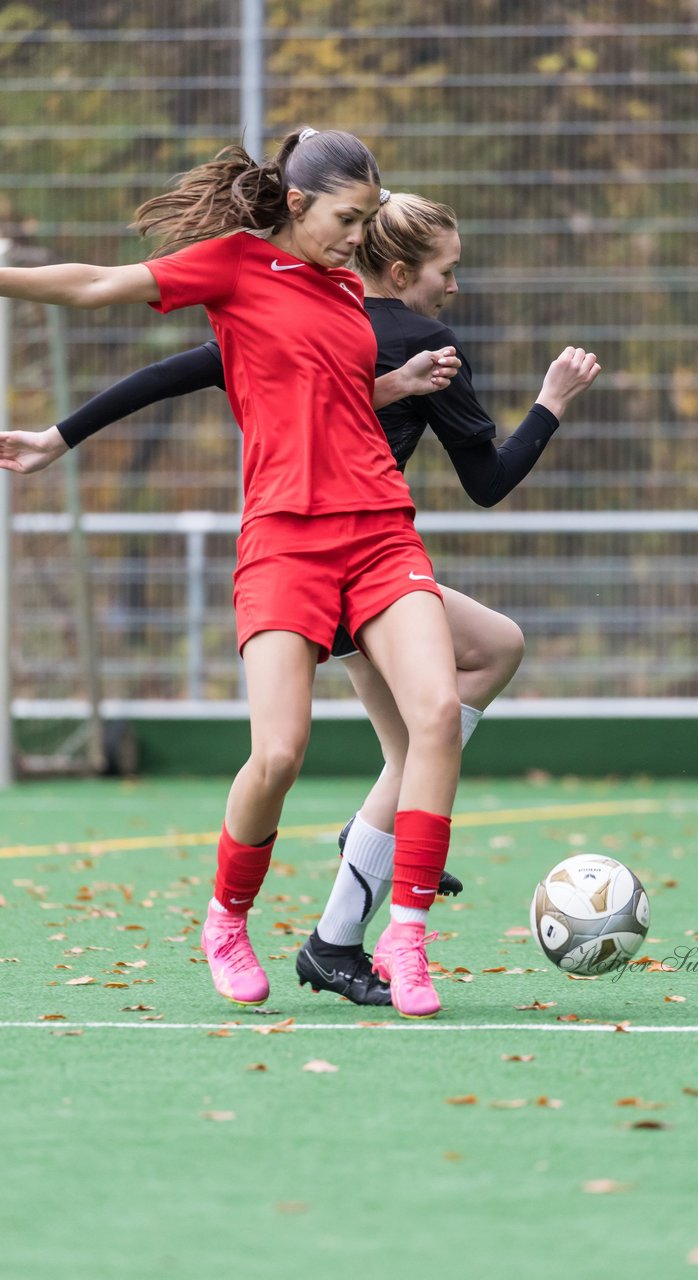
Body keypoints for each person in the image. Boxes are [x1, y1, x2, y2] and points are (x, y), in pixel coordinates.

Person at [0, 190, 601, 1009]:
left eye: (362, 223)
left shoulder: (346, 300)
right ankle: (283, 910)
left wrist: (63, 436)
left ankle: (392, 929)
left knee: (443, 713)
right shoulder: (273, 285)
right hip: (292, 545)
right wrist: (550, 406)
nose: (454, 285)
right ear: (308, 208)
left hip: (378, 537)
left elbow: (217, 379)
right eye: (447, 270)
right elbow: (485, 479)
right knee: (304, 753)